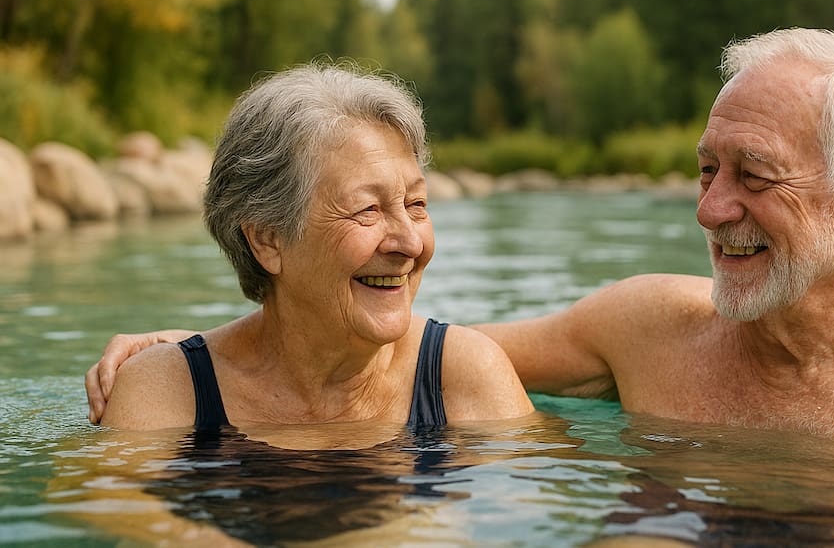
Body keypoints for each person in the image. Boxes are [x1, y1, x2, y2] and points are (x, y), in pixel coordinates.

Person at [88, 29, 834, 467]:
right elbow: (413, 348)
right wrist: (225, 344)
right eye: (705, 169)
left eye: (752, 175)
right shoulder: (645, 325)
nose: (714, 209)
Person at [97, 64, 532, 432]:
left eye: (416, 204)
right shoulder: (170, 392)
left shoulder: (463, 375)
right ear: (267, 238)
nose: (411, 242)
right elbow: (118, 511)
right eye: (367, 209)